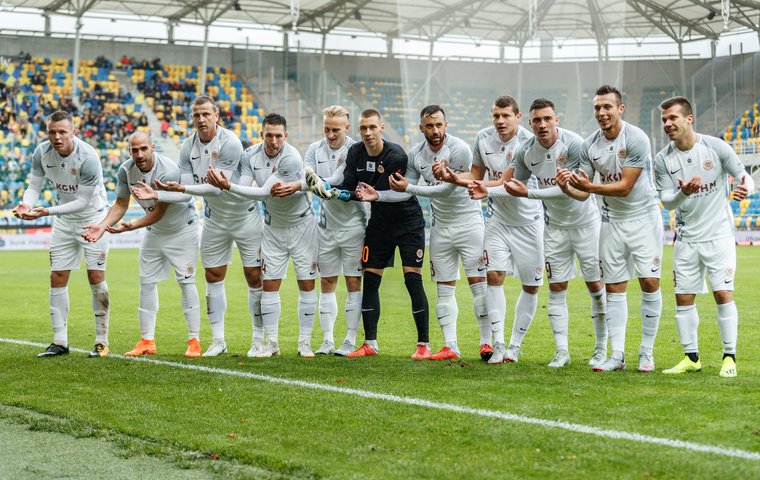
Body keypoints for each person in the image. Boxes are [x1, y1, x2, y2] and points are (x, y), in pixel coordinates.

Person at [309, 109, 430, 359]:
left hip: (408, 221)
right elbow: (352, 184)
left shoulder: (396, 155)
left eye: (372, 127)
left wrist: (362, 194)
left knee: (412, 280)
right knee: (371, 280)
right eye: (363, 128)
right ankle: (370, 343)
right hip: (379, 224)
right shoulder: (355, 152)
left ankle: (423, 345)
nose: (367, 133)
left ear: (381, 128)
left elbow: (399, 192)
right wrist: (338, 192)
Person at [147, 95, 263, 357]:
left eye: (205, 114)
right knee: (212, 276)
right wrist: (163, 193)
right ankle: (218, 340)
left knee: (254, 277)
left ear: (216, 116)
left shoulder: (230, 142)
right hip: (214, 220)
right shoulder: (187, 147)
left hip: (244, 217)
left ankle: (258, 339)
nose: (200, 119)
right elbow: (188, 192)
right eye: (196, 115)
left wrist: (184, 187)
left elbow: (218, 189)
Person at [435, 96, 544, 364]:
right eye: (496, 115)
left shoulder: (528, 142)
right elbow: (475, 174)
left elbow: (509, 181)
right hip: (497, 221)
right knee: (493, 275)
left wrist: (484, 188)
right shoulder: (483, 138)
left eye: (505, 115)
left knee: (531, 287)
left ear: (518, 117)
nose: (499, 121)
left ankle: (515, 346)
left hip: (529, 223)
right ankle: (498, 342)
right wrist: (453, 178)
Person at [499, 98, 605, 368]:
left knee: (595, 286)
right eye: (537, 120)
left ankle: (602, 348)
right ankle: (562, 352)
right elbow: (514, 185)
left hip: (586, 225)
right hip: (554, 228)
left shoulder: (575, 145)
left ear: (556, 119)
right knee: (557, 289)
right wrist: (481, 188)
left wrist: (529, 193)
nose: (542, 124)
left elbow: (578, 190)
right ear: (530, 123)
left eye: (547, 119)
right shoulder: (526, 151)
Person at [565, 84, 663, 372]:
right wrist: (568, 188)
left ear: (620, 109)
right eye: (597, 107)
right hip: (611, 223)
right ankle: (617, 354)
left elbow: (625, 187)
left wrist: (590, 187)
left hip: (643, 219)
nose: (601, 112)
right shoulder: (589, 145)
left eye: (607, 106)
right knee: (614, 288)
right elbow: (583, 194)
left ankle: (646, 352)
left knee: (649, 282)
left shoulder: (636, 139)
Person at [654, 96, 754, 378]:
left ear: (689, 118)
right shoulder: (663, 160)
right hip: (686, 238)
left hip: (719, 235)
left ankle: (729, 357)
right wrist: (683, 193)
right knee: (683, 298)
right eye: (664, 120)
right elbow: (667, 202)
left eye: (673, 118)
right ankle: (691, 357)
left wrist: (747, 187)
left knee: (722, 294)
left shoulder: (715, 146)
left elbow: (743, 175)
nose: (668, 124)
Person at [207, 113, 318, 358]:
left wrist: (228, 186)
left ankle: (305, 342)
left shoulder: (291, 158)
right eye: (269, 135)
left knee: (306, 284)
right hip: (272, 228)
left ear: (286, 136)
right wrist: (230, 187)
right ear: (261, 135)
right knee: (268, 286)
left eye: (279, 136)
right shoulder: (249, 155)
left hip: (302, 227)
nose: (274, 141)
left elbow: (264, 193)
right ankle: (271, 343)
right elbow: (248, 188)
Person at [82, 131, 202, 357]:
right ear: (129, 151)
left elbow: (158, 212)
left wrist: (133, 226)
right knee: (146, 283)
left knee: (186, 282)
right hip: (154, 231)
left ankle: (194, 340)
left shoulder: (167, 170)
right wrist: (101, 225)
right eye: (134, 150)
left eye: (143, 149)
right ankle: (147, 341)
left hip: (182, 230)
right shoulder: (126, 170)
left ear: (153, 148)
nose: (139, 154)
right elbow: (120, 204)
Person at [12, 110, 111, 358]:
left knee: (96, 277)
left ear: (73, 133)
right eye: (52, 132)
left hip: (93, 219)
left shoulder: (88, 157)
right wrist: (26, 203)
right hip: (65, 222)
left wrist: (46, 211)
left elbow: (82, 201)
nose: (56, 137)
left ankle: (101, 341)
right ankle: (60, 341)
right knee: (57, 276)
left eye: (62, 132)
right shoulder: (41, 152)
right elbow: (34, 186)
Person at [389, 105, 485, 360]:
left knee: (478, 286)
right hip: (441, 227)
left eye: (439, 125)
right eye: (429, 126)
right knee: (444, 289)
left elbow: (446, 190)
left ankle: (487, 343)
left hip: (469, 223)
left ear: (446, 125)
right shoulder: (415, 156)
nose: (435, 130)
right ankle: (450, 346)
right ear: (421, 128)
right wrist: (379, 194)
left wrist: (410, 187)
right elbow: (404, 188)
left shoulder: (460, 149)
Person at [303, 106, 366, 356]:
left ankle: (349, 340)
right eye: (327, 129)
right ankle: (327, 341)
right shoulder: (313, 149)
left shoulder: (356, 149)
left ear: (347, 128)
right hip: (326, 227)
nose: (330, 134)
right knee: (327, 281)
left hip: (354, 227)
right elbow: (307, 174)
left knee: (353, 281)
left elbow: (340, 177)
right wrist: (317, 183)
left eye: (335, 130)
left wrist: (322, 184)